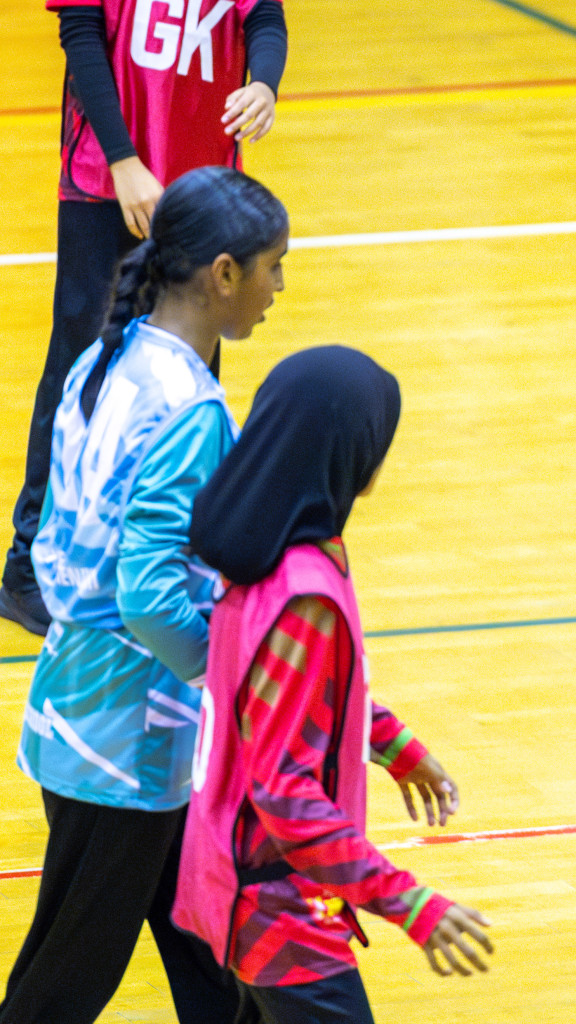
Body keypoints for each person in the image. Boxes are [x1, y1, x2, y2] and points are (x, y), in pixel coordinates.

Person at [1, 166, 288, 1024]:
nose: (281, 288)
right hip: (129, 736)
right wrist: (235, 677)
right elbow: (152, 598)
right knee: (64, 983)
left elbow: (53, 541)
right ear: (224, 272)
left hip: (81, 702)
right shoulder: (189, 406)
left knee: (204, 936)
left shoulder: (107, 358)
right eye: (274, 265)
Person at [174, 346, 494, 1023]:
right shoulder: (304, 596)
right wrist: (411, 903)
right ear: (357, 459)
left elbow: (290, 699)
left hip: (230, 883)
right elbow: (287, 795)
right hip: (280, 916)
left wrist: (394, 745)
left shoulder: (260, 554)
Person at [0, 0, 288, 634]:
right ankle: (29, 567)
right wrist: (124, 161)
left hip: (203, 180)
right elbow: (80, 33)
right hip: (106, 178)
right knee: (82, 362)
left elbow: (264, 16)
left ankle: (173, 555)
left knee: (191, 369)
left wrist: (264, 83)